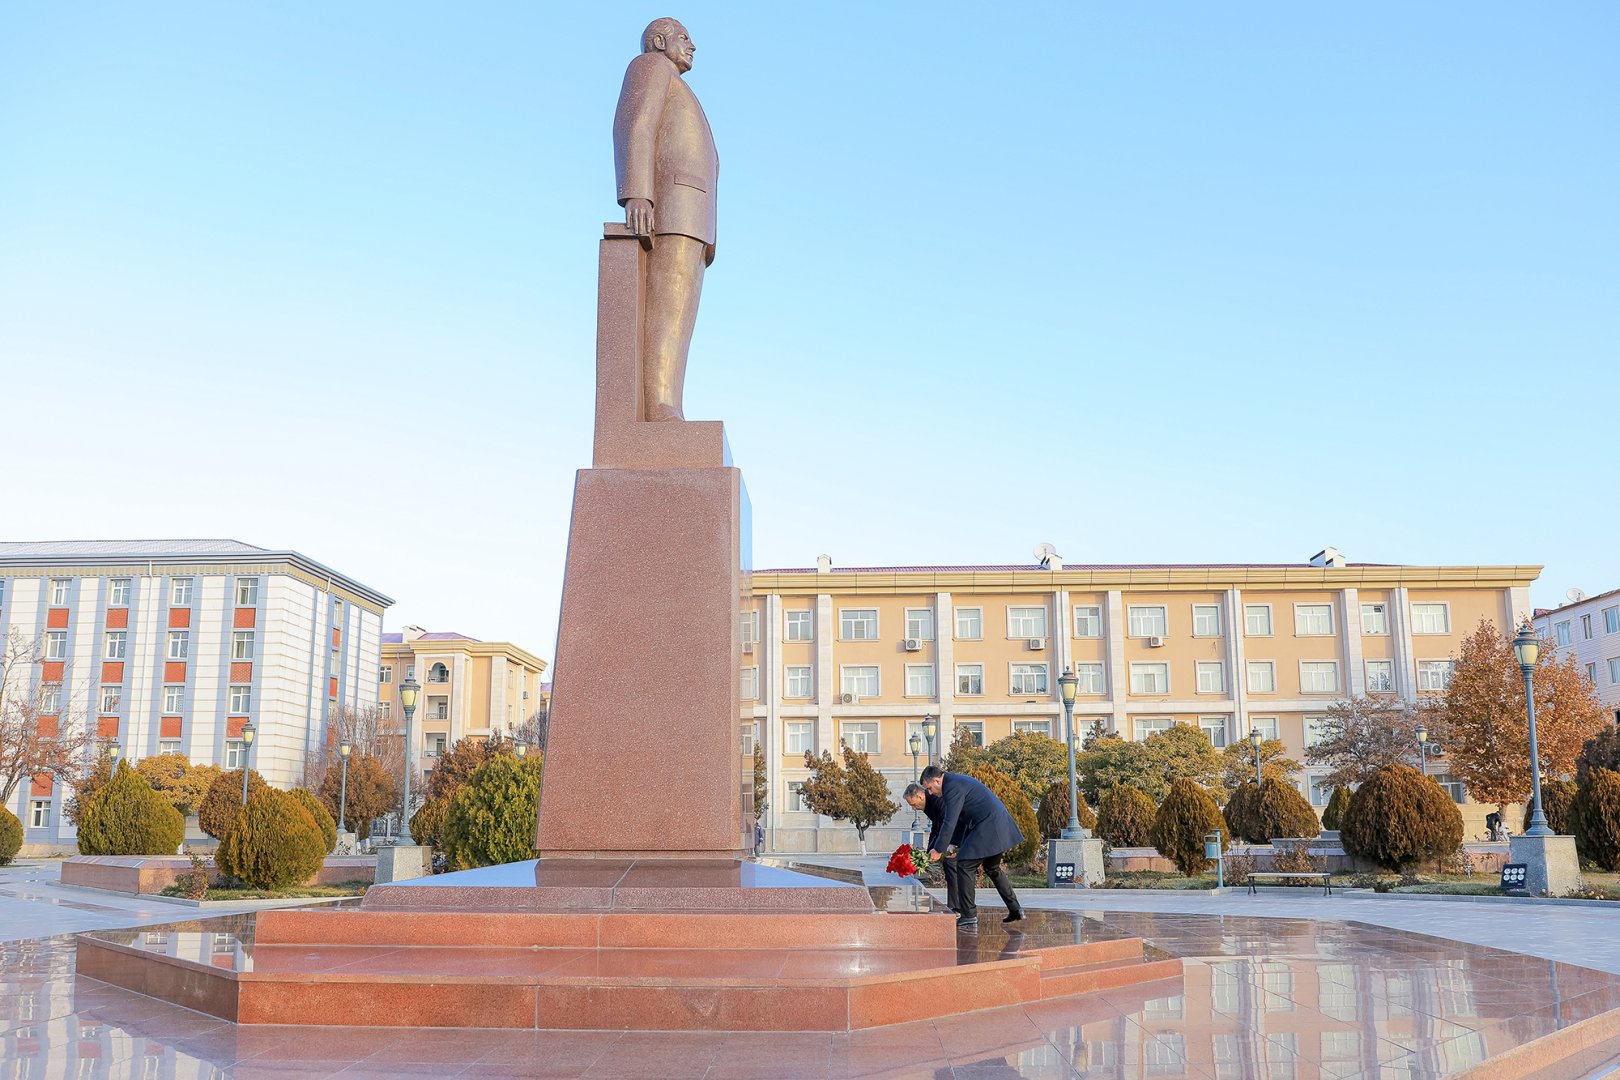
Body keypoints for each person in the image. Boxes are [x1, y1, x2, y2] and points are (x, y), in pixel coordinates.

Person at [612, 17, 718, 422]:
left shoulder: (682, 88)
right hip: (672, 209)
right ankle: (660, 406)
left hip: (693, 217)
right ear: (659, 41)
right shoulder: (651, 67)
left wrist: (713, 229)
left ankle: (669, 401)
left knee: (680, 318)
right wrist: (637, 192)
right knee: (666, 314)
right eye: (685, 38)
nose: (693, 46)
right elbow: (635, 125)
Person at [920, 765, 1024, 929]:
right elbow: (962, 817)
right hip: (998, 824)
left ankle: (968, 915)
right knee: (992, 867)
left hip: (989, 826)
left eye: (930, 788)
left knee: (964, 864)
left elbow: (950, 821)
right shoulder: (955, 782)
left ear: (937, 780)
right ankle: (1015, 909)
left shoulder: (951, 787)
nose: (930, 793)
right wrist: (953, 843)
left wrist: (938, 849)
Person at [904, 782, 961, 913]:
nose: (913, 809)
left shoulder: (937, 800)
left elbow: (948, 824)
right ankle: (955, 906)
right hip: (950, 835)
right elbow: (936, 826)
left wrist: (949, 845)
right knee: (950, 866)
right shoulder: (928, 805)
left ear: (920, 796)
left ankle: (960, 908)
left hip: (960, 833)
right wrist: (930, 850)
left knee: (953, 865)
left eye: (913, 804)